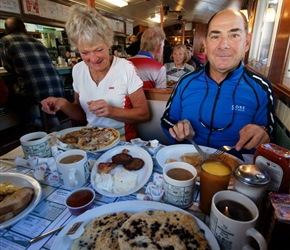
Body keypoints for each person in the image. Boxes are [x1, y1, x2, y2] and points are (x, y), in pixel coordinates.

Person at [161, 9, 275, 158]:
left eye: (234, 35)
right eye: (215, 36)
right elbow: (166, 120)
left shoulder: (261, 88)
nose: (224, 45)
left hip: (234, 171)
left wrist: (261, 134)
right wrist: (178, 130)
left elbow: (268, 134)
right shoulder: (186, 81)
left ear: (247, 42)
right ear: (206, 45)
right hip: (187, 164)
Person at [41, 5, 150, 142]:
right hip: (90, 141)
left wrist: (112, 111)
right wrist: (62, 104)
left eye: (99, 50)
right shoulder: (78, 70)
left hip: (122, 142)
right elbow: (81, 115)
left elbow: (144, 114)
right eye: (85, 52)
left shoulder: (125, 68)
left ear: (108, 43)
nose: (93, 59)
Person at [0, 17, 65, 130]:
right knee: (46, 97)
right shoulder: (37, 41)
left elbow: (8, 66)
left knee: (11, 97)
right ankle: (52, 120)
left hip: (32, 88)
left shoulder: (5, 40)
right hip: (56, 85)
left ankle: (34, 121)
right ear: (24, 27)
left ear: (6, 30)